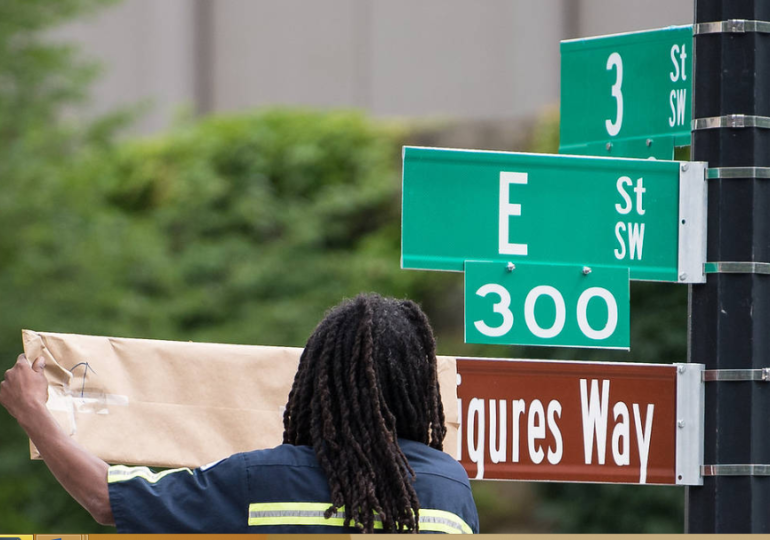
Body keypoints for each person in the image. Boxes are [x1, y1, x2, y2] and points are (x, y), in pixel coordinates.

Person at [0, 293, 479, 533]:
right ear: (419, 383)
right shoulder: (451, 489)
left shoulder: (261, 478)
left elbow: (107, 499)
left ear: (315, 381)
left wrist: (33, 414)